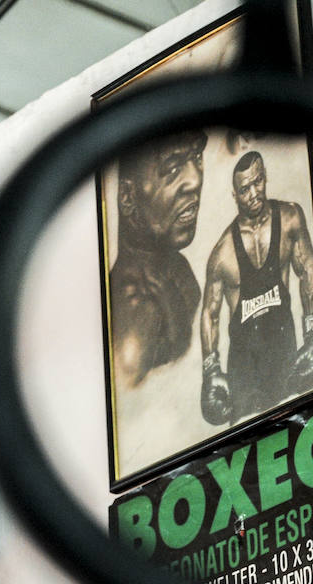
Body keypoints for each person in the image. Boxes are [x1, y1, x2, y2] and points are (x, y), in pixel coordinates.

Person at [199, 151, 313, 426]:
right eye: (244, 189)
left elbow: (307, 271)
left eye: (257, 183)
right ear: (235, 195)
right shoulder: (223, 253)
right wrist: (211, 370)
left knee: (297, 431)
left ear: (265, 177)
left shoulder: (290, 218)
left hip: (284, 348)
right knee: (247, 443)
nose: (253, 193)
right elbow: (210, 312)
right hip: (244, 364)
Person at [108, 130, 208, 389]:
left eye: (197, 155)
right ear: (127, 197)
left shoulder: (177, 267)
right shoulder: (135, 310)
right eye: (172, 169)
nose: (195, 180)